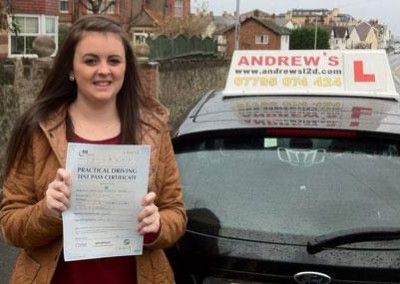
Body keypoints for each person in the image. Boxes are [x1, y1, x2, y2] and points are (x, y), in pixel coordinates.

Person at [0, 15, 186, 284]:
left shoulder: (153, 130)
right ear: (71, 68)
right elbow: (10, 224)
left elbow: (176, 212)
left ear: (126, 68)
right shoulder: (38, 130)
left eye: (114, 60)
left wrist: (157, 225)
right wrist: (47, 212)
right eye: (90, 60)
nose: (104, 70)